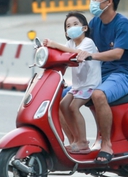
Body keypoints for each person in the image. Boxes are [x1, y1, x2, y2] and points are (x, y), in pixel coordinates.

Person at [77, 0, 128, 164]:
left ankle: (106, 144)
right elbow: (80, 45)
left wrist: (90, 56)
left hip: (125, 73)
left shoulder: (122, 23)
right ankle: (78, 142)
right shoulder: (94, 23)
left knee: (98, 95)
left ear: (108, 2)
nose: (92, 1)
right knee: (64, 95)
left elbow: (117, 54)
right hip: (102, 73)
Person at [43, 12, 102, 154]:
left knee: (74, 107)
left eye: (75, 24)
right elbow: (62, 54)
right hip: (77, 86)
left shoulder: (88, 43)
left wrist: (55, 44)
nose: (72, 28)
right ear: (66, 32)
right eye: (68, 26)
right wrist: (48, 48)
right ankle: (75, 139)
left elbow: (74, 53)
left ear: (84, 28)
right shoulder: (69, 43)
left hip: (90, 84)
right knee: (63, 105)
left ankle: (82, 142)